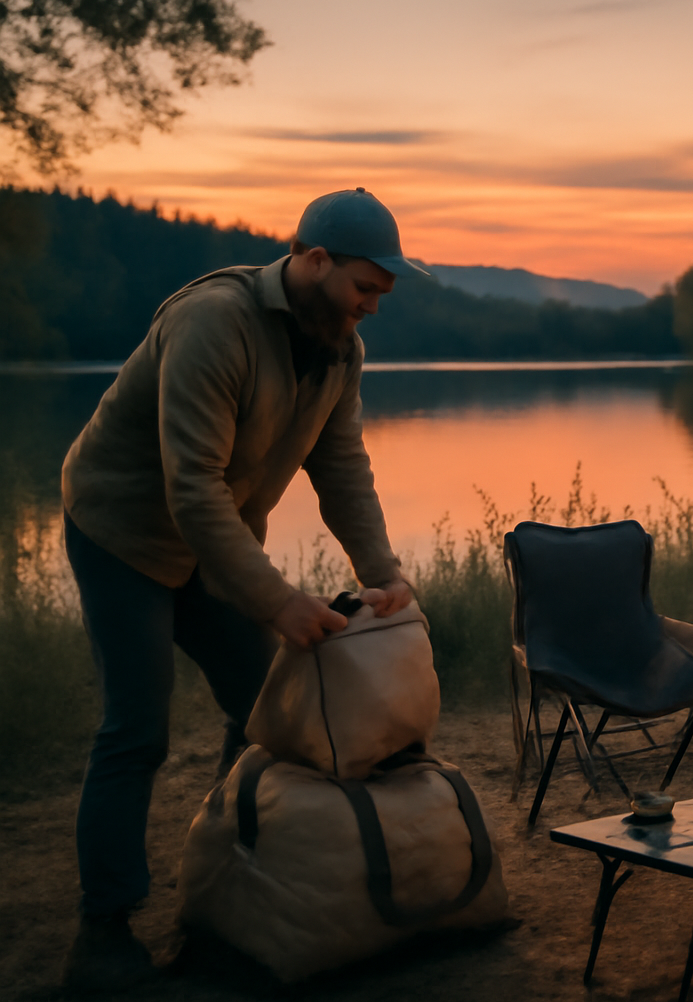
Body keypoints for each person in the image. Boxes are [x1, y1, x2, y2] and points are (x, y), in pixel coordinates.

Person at [58, 188, 424, 990]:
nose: (371, 305)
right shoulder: (212, 323)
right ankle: (102, 934)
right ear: (315, 261)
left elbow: (342, 466)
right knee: (136, 730)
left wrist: (383, 572)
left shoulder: (340, 347)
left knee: (264, 713)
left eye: (382, 294)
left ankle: (226, 884)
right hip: (123, 534)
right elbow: (193, 489)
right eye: (364, 287)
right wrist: (279, 602)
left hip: (216, 550)